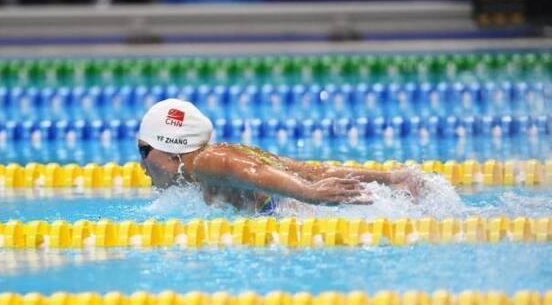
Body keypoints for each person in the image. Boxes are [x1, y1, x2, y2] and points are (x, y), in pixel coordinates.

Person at [137, 98, 424, 214]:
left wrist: (308, 193)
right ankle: (399, 180)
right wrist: (388, 177)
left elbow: (251, 173)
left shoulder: (204, 162)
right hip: (288, 209)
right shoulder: (214, 158)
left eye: (144, 150)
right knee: (310, 171)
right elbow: (312, 173)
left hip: (290, 217)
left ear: (170, 146)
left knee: (311, 179)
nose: (142, 164)